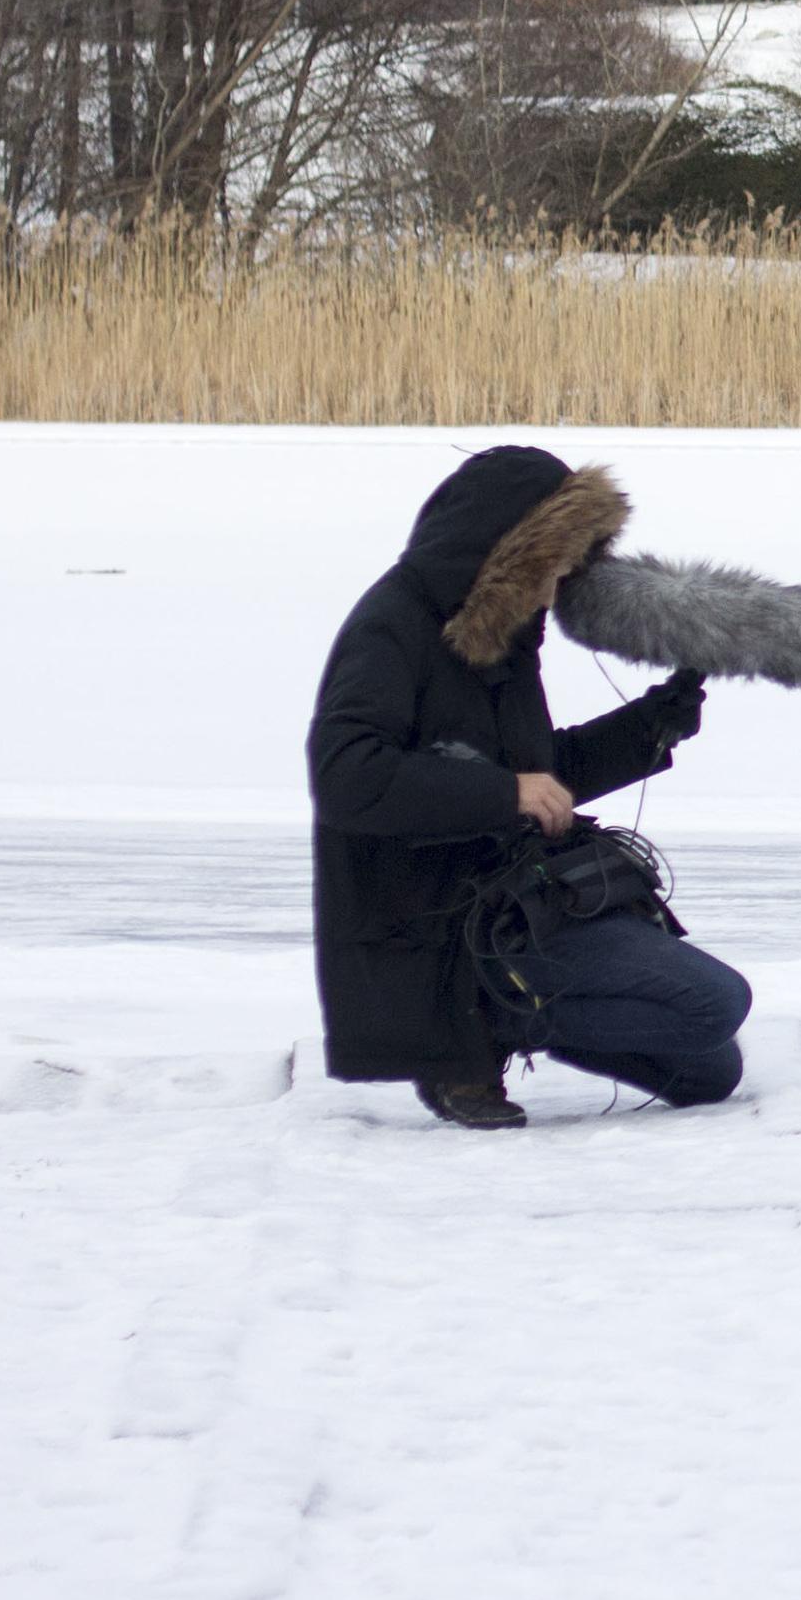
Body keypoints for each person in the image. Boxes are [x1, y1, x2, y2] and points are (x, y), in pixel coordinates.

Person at [307, 444, 755, 1129]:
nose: (567, 579)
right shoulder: (391, 627)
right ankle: (484, 1019)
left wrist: (649, 727)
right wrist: (504, 794)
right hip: (456, 920)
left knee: (710, 1069)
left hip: (527, 895)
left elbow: (540, 771)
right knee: (716, 1002)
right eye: (558, 560)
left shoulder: (506, 635)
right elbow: (346, 776)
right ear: (509, 552)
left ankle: (504, 1017)